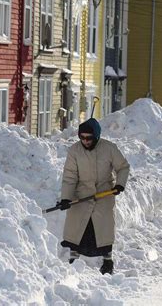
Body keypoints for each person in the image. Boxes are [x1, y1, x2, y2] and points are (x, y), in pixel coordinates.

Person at [59, 117, 130, 275]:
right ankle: (73, 260)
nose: (85, 141)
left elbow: (123, 167)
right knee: (77, 229)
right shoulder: (74, 151)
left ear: (96, 136)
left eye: (89, 138)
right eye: (82, 137)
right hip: (81, 195)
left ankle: (107, 261)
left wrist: (120, 184)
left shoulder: (109, 148)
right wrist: (66, 198)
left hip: (104, 194)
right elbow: (70, 177)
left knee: (103, 230)